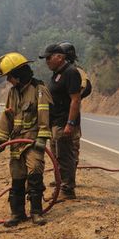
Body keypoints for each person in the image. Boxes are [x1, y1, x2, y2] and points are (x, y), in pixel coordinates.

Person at [0, 52, 53, 227]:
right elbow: (7, 118)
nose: (8, 80)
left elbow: (44, 115)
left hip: (33, 142)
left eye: (9, 76)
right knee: (17, 176)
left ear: (18, 75)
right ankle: (17, 213)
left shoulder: (39, 90)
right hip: (16, 143)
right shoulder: (13, 93)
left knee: (34, 171)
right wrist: (0, 141)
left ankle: (36, 212)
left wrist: (42, 138)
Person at [40, 43, 82, 199]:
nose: (47, 61)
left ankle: (67, 190)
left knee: (65, 157)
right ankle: (59, 189)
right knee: (57, 157)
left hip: (64, 122)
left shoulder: (71, 73)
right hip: (55, 122)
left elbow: (75, 100)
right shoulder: (57, 73)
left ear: (60, 57)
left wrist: (70, 124)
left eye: (49, 58)